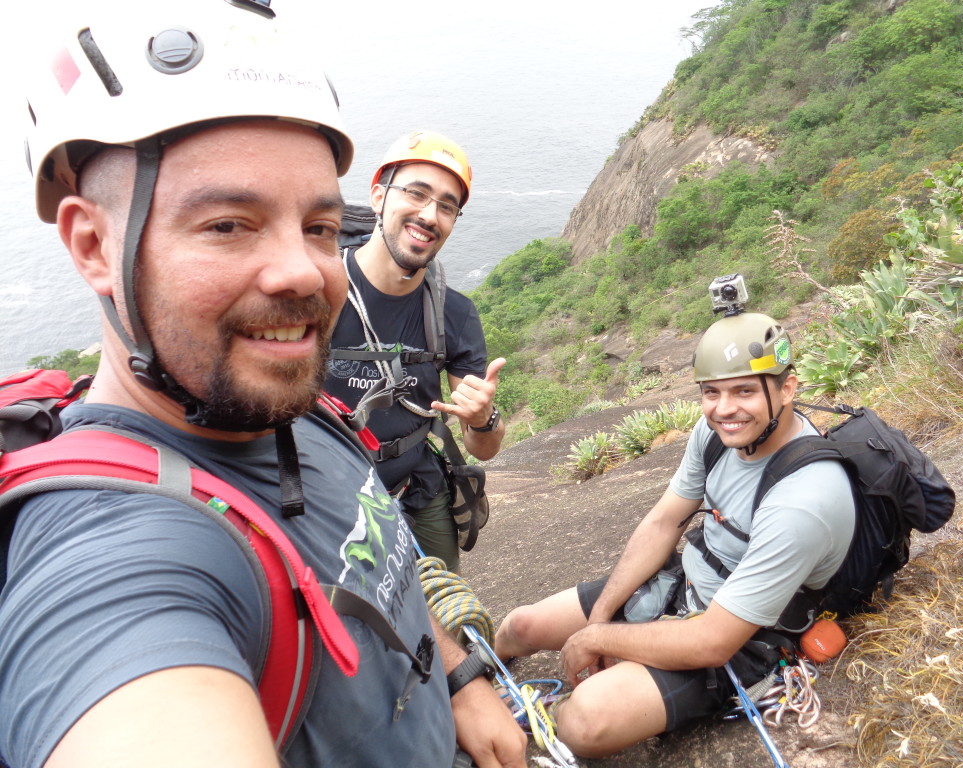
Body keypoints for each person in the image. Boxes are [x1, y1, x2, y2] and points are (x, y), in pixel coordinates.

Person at [0, 3, 525, 768]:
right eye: (228, 224)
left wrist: (461, 675)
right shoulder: (116, 556)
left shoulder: (302, 408)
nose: (301, 272)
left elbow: (378, 567)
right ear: (92, 243)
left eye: (316, 226)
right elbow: (131, 676)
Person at [494, 309, 856, 758]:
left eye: (744, 390)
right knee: (521, 624)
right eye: (712, 393)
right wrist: (600, 618)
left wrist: (597, 639)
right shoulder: (715, 434)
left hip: (746, 637)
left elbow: (713, 640)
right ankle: (483, 679)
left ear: (787, 387)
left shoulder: (805, 498)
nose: (725, 409)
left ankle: (526, 721)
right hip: (686, 585)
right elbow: (665, 522)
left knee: (583, 720)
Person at [325, 131, 505, 573]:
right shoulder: (320, 287)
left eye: (447, 206)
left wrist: (483, 418)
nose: (430, 214)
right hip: (326, 492)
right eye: (417, 193)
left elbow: (483, 448)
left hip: (413, 488)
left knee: (447, 615)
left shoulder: (454, 314)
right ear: (378, 196)